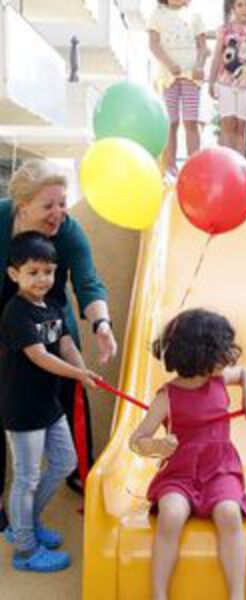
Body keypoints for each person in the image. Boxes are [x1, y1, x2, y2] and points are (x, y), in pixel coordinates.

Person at [0, 160, 117, 529]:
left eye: (63, 203)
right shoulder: (2, 220)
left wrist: (101, 323)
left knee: (68, 394)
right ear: (22, 206)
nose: (59, 213)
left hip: (51, 322)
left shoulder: (67, 231)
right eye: (48, 205)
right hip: (6, 321)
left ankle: (79, 470)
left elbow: (88, 281)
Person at [129, 309, 246, 600]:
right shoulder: (166, 397)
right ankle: (158, 594)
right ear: (198, 355)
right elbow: (136, 441)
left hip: (220, 469)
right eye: (221, 352)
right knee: (171, 515)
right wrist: (157, 446)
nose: (229, 357)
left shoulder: (219, 379)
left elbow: (245, 374)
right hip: (179, 474)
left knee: (229, 513)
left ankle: (237, 594)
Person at [0, 233, 98, 572]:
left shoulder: (52, 306)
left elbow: (66, 344)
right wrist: (77, 374)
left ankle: (25, 524)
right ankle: (25, 550)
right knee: (27, 478)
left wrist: (83, 371)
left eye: (48, 271)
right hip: (23, 408)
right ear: (14, 274)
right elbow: (39, 356)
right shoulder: (16, 313)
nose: (42, 279)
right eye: (33, 272)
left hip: (48, 404)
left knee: (64, 461)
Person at [148, 0, 208, 179]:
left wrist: (199, 66)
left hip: (191, 76)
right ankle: (170, 166)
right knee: (171, 122)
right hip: (168, 77)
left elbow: (202, 46)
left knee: (191, 121)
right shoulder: (157, 14)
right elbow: (154, 44)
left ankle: (193, 166)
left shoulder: (195, 15)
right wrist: (169, 64)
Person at [210, 0, 246, 155]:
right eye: (240, 5)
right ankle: (226, 160)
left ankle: (239, 162)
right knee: (227, 123)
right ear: (233, 7)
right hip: (225, 83)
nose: (244, 9)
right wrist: (211, 81)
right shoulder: (225, 30)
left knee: (241, 126)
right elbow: (217, 57)